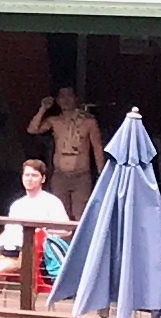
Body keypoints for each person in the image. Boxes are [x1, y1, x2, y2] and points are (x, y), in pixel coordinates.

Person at [0, 159, 73, 307]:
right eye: (26, 175)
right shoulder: (17, 204)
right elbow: (8, 230)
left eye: (34, 175)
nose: (29, 179)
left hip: (31, 255)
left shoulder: (51, 202)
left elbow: (66, 230)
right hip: (5, 249)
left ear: (43, 179)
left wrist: (44, 233)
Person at [30, 81, 105, 220]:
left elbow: (97, 148)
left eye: (69, 95)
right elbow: (33, 129)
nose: (66, 100)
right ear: (57, 100)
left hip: (81, 175)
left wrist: (102, 175)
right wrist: (43, 108)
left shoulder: (89, 122)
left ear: (76, 98)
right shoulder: (54, 121)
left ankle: (79, 242)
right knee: (60, 215)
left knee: (81, 215)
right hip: (60, 175)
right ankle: (62, 242)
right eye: (62, 96)